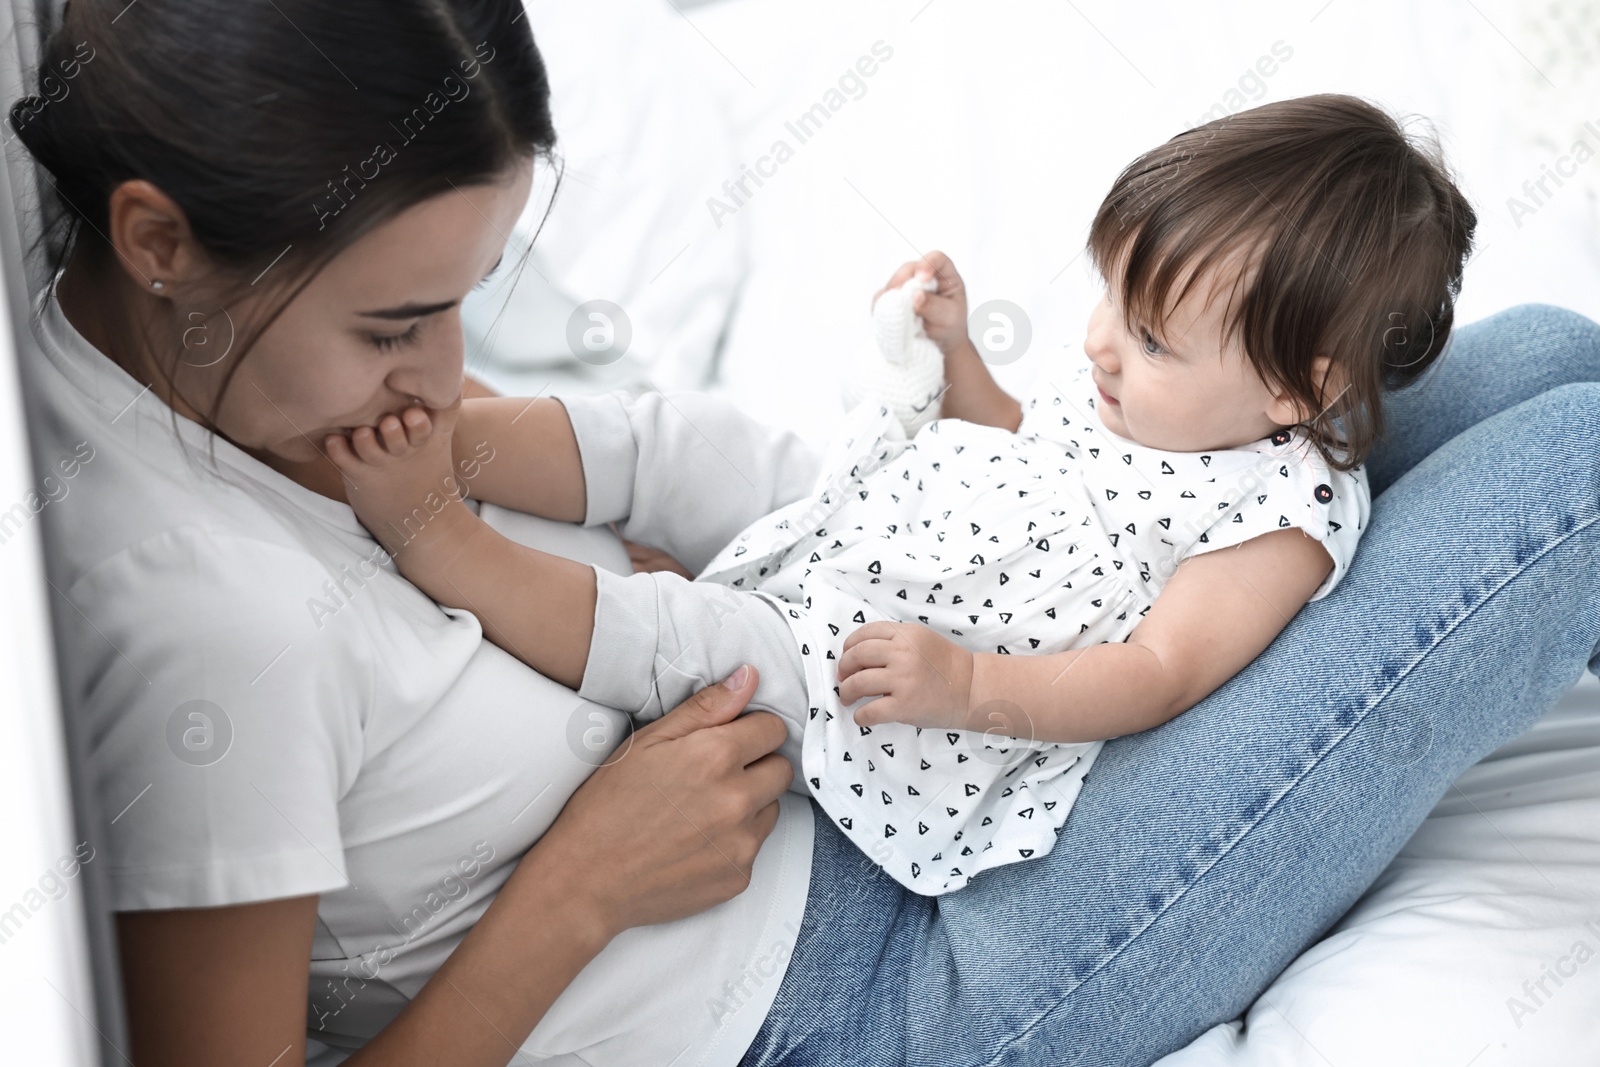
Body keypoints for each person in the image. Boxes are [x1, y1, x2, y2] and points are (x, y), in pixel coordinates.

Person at [13, 2, 1600, 1065]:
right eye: (400, 323)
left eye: (467, 307)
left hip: (904, 743)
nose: (443, 373)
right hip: (870, 976)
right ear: (157, 236)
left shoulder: (233, 371)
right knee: (1571, 469)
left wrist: (500, 461)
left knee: (1529, 352)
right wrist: (580, 884)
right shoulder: (201, 621)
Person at [321, 96, 1436, 896]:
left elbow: (1155, 673)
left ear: (1296, 389)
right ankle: (450, 437)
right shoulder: (1154, 386)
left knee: (716, 642)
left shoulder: (1273, 516)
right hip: (880, 504)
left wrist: (967, 682)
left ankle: (445, 545)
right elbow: (1015, 437)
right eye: (1107, 292)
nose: (1096, 340)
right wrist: (955, 357)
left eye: (1145, 336)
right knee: (691, 439)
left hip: (907, 670)